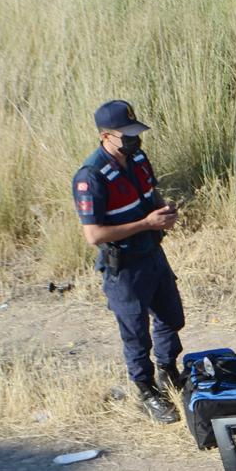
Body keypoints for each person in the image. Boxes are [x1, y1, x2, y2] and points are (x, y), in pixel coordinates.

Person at [72, 100, 185, 425]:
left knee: (171, 318)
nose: (135, 139)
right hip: (123, 266)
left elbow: (150, 194)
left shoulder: (138, 158)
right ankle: (146, 392)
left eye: (136, 132)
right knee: (136, 334)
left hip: (152, 254)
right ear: (105, 136)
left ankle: (168, 373)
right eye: (127, 134)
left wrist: (163, 211)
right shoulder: (91, 176)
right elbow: (93, 234)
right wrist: (146, 224)